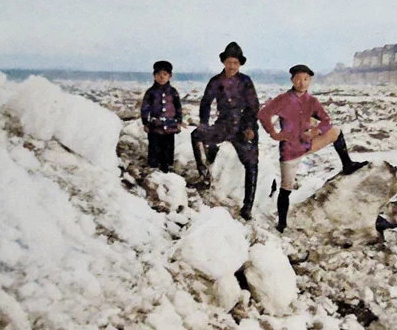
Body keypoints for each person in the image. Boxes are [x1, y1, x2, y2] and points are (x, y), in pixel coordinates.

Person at [258, 64, 369, 232]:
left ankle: (347, 164)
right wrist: (274, 134)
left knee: (336, 131)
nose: (302, 83)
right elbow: (263, 114)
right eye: (298, 79)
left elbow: (327, 121)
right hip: (290, 150)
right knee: (286, 188)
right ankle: (281, 224)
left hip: (307, 143)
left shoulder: (312, 101)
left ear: (310, 81)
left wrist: (316, 131)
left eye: (306, 79)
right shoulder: (283, 99)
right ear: (292, 80)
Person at [191, 41, 260, 220]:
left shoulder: (245, 81)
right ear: (224, 62)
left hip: (244, 127)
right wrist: (204, 123)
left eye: (235, 63)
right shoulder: (216, 81)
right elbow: (206, 102)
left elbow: (254, 106)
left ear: (240, 64)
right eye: (229, 62)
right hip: (224, 124)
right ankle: (204, 174)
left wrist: (250, 128)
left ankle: (247, 205)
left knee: (251, 163)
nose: (232, 66)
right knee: (197, 135)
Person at [141, 60, 182, 173]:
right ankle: (153, 169)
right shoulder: (151, 92)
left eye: (165, 74)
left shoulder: (173, 92)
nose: (162, 77)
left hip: (170, 127)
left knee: (168, 148)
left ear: (170, 76)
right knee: (154, 147)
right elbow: (145, 108)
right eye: (158, 74)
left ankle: (167, 168)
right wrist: (145, 122)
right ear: (154, 76)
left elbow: (178, 108)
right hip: (155, 127)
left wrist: (179, 122)